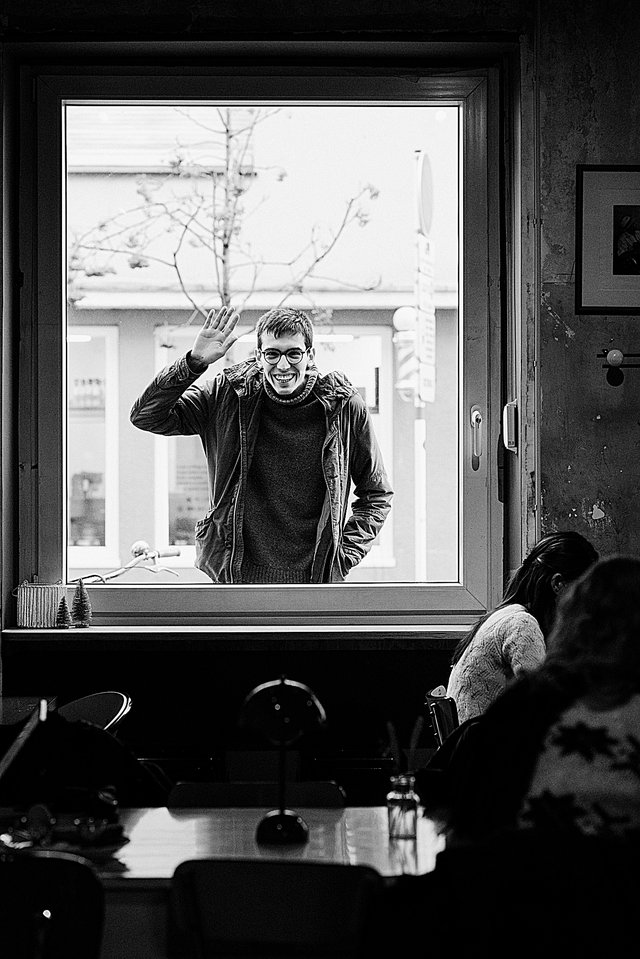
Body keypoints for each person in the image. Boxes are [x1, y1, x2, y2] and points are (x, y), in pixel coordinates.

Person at [130, 305, 392, 584]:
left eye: (293, 353)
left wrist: (343, 555)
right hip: (237, 577)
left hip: (315, 580)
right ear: (258, 356)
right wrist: (194, 362)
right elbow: (146, 416)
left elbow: (376, 493)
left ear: (310, 355)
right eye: (272, 354)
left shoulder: (343, 407)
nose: (283, 365)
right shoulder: (227, 395)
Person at [446, 531, 599, 723]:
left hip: (478, 745)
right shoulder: (522, 625)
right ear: (558, 583)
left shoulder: (507, 614)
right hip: (487, 750)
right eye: (583, 589)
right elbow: (543, 708)